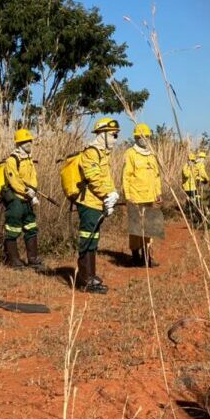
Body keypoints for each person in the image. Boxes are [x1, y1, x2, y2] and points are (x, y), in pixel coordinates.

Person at [75, 117, 121, 294]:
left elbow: (104, 179)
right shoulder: (91, 153)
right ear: (103, 134)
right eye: (113, 135)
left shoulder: (103, 154)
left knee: (93, 240)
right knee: (87, 239)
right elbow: (93, 178)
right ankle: (85, 281)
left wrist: (112, 195)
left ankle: (91, 275)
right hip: (89, 203)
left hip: (97, 202)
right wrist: (106, 195)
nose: (115, 139)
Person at [0, 128, 44, 271]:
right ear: (19, 143)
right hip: (16, 200)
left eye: (30, 141)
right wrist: (26, 192)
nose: (29, 144)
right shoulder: (12, 160)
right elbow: (14, 181)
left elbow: (33, 177)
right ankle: (13, 260)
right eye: (25, 141)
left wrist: (33, 190)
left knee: (31, 227)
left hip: (27, 199)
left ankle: (33, 259)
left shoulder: (29, 159)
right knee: (13, 229)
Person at [122, 123, 162, 267]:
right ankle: (135, 257)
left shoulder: (151, 154)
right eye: (142, 137)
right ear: (136, 137)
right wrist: (128, 196)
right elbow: (126, 176)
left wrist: (158, 193)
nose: (145, 139)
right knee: (135, 228)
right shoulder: (130, 154)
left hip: (150, 197)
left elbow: (156, 176)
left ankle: (147, 258)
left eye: (147, 137)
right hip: (135, 197)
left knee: (150, 228)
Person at [182, 153, 199, 223]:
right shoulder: (185, 167)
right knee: (189, 201)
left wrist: (199, 178)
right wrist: (190, 168)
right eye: (191, 161)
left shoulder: (194, 167)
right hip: (187, 188)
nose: (192, 162)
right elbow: (186, 175)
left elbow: (195, 175)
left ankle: (194, 214)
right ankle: (189, 214)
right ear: (188, 160)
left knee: (195, 200)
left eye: (193, 161)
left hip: (193, 187)